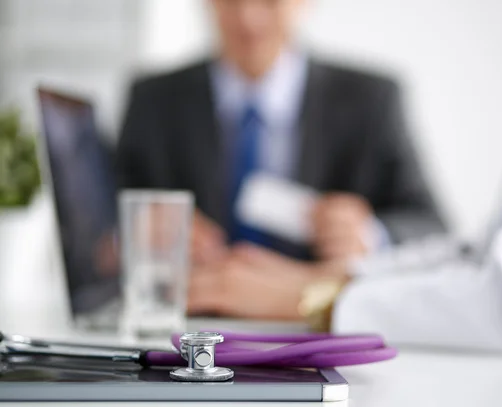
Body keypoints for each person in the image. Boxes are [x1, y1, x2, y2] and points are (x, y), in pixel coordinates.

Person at [188, 1, 502, 405]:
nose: (247, 16)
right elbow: (480, 256)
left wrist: (325, 293)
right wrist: (330, 282)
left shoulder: (372, 96)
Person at [117, 0, 443, 267]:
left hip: (316, 325)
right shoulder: (153, 100)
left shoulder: (371, 101)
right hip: (192, 316)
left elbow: (433, 228)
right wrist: (135, 233)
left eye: (270, 2)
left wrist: (372, 236)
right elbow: (102, 222)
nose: (249, 19)